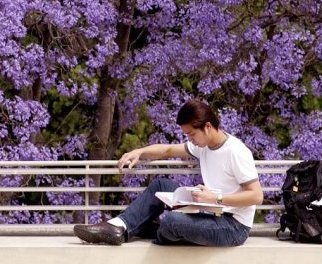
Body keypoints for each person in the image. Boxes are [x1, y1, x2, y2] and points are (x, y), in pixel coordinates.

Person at [73, 99, 262, 246]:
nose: (190, 139)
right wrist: (139, 152)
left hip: (233, 227)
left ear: (208, 127)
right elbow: (168, 150)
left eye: (191, 134)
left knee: (172, 221)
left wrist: (214, 198)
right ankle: (118, 227)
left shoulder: (236, 151)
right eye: (187, 135)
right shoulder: (203, 145)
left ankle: (140, 228)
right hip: (211, 212)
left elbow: (256, 196)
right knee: (161, 185)